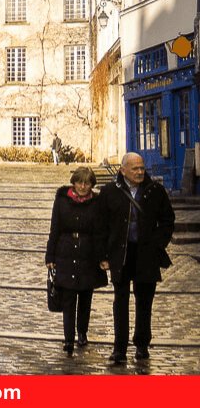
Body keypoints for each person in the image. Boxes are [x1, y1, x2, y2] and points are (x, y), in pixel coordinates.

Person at [97, 152, 175, 364]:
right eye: (135, 169)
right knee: (120, 302)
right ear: (123, 170)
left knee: (144, 302)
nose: (140, 172)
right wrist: (103, 255)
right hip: (121, 254)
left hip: (145, 254)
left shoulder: (154, 190)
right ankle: (119, 349)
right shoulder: (109, 192)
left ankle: (142, 344)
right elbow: (101, 226)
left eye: (142, 168)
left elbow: (168, 220)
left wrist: (157, 244)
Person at [45, 166, 107, 355]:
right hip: (66, 252)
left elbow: (100, 231)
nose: (82, 186)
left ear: (91, 185)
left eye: (87, 183)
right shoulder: (62, 201)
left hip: (88, 253)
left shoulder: (97, 203)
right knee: (68, 298)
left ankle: (82, 331)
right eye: (80, 182)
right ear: (74, 182)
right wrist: (50, 256)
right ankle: (69, 338)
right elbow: (54, 228)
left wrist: (103, 257)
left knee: (85, 297)